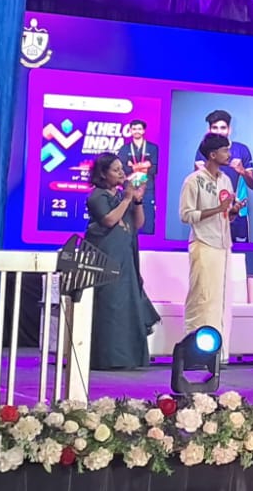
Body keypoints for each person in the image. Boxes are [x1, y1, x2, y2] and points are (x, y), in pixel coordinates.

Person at [84, 153, 159, 370]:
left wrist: (137, 200)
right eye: (115, 170)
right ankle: (106, 359)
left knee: (127, 307)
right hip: (106, 259)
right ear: (102, 174)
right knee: (110, 307)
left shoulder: (120, 196)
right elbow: (109, 220)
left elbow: (138, 224)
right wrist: (126, 199)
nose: (121, 173)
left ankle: (128, 359)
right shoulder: (97, 197)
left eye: (121, 169)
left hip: (126, 259)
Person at [179, 133, 238, 349]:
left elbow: (225, 215)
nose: (229, 155)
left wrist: (231, 211)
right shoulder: (193, 180)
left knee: (220, 300)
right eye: (225, 151)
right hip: (203, 244)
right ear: (212, 155)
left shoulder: (226, 180)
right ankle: (193, 349)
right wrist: (217, 209)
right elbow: (186, 215)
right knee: (201, 298)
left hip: (223, 245)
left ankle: (219, 351)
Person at [194, 110, 253, 247]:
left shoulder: (242, 150)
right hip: (211, 213)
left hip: (238, 212)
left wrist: (242, 170)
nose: (219, 132)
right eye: (215, 128)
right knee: (211, 252)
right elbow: (196, 184)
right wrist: (203, 171)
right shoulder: (203, 151)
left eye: (223, 128)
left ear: (229, 129)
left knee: (239, 254)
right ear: (209, 130)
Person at [117, 119, 159, 235]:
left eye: (139, 129)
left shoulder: (152, 148)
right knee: (129, 216)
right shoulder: (124, 149)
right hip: (130, 188)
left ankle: (148, 241)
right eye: (134, 129)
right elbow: (122, 169)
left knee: (148, 218)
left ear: (144, 131)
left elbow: (155, 168)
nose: (137, 131)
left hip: (147, 187)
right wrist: (144, 165)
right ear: (130, 131)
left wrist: (133, 166)